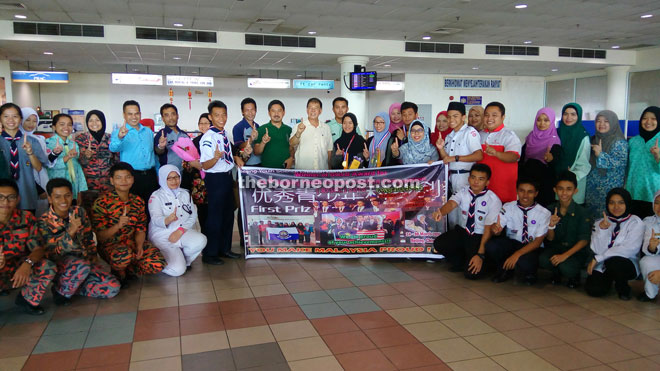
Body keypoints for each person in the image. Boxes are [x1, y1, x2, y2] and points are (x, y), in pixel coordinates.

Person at [37, 178, 120, 306]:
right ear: (49, 199)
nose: (63, 201)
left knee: (112, 287)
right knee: (81, 266)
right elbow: (51, 254)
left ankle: (74, 287)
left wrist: (94, 261)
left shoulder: (79, 212)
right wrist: (70, 232)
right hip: (61, 267)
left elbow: (88, 239)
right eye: (57, 197)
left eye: (67, 196)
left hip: (84, 263)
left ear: (72, 195)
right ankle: (61, 292)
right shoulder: (44, 221)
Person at [91, 162, 166, 286]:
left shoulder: (137, 201)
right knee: (123, 256)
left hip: (132, 243)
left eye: (127, 177)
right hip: (112, 246)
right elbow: (100, 237)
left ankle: (130, 269)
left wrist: (140, 246)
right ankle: (118, 271)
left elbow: (141, 229)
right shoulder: (102, 203)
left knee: (158, 263)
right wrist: (118, 226)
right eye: (119, 177)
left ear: (132, 179)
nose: (124, 181)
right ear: (111, 181)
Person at [432, 164, 501, 279]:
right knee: (440, 243)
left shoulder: (493, 200)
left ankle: (486, 263)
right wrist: (441, 212)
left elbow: (488, 229)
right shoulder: (463, 191)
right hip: (464, 231)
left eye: (480, 179)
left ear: (487, 182)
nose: (475, 182)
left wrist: (480, 254)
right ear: (468, 178)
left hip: (480, 236)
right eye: (473, 177)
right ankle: (461, 262)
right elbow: (451, 203)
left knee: (472, 275)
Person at [0, 178, 55, 315]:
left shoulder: (26, 218)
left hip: (18, 267)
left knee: (47, 266)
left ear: (18, 199)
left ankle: (28, 300)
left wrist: (27, 264)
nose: (5, 202)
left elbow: (38, 248)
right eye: (0, 197)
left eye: (11, 197)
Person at [486, 178, 550, 285]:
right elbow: (497, 227)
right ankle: (505, 269)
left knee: (525, 262)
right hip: (513, 243)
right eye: (522, 191)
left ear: (536, 193)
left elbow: (538, 242)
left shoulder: (544, 213)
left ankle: (530, 273)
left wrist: (517, 255)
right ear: (517, 191)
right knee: (492, 246)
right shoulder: (508, 207)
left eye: (530, 192)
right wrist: (495, 229)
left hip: (532, 247)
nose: (525, 195)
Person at [200, 100, 241, 265]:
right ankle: (210, 253)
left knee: (228, 215)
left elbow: (229, 157)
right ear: (210, 117)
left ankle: (225, 248)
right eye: (217, 115)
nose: (221, 118)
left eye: (224, 114)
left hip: (226, 177)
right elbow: (205, 165)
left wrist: (236, 158)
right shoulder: (208, 138)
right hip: (215, 179)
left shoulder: (223, 134)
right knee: (215, 217)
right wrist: (215, 158)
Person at [585, 188, 643, 300]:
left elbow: (629, 249)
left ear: (627, 203)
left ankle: (623, 288)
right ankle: (608, 279)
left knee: (615, 262)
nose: (616, 207)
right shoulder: (600, 222)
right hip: (603, 263)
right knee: (594, 290)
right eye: (612, 203)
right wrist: (602, 230)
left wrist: (598, 258)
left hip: (625, 264)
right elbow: (596, 249)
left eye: (621, 202)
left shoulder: (636, 222)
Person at [148, 165, 206, 276]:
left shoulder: (185, 193)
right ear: (162, 179)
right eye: (169, 178)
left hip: (180, 232)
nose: (174, 181)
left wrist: (180, 231)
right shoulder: (156, 196)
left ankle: (184, 260)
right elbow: (155, 219)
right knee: (178, 271)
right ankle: (161, 262)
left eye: (176, 177)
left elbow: (192, 215)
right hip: (163, 235)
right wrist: (167, 220)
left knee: (201, 240)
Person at [538, 171, 591, 288]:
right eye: (560, 189)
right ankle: (556, 273)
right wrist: (551, 225)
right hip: (556, 248)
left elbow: (584, 240)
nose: (564, 193)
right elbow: (550, 239)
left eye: (569, 189)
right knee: (543, 259)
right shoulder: (550, 209)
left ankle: (574, 276)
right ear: (555, 190)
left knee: (567, 267)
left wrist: (565, 256)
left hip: (575, 252)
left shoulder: (582, 212)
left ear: (575, 191)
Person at [0, 103, 47, 212]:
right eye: (6, 116)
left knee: (27, 227)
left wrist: (30, 153)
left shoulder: (32, 141)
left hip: (26, 194)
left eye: (15, 116)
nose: (11, 119)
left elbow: (39, 168)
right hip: (2, 199)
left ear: (21, 119)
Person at [109, 100, 158, 203]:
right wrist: (120, 137)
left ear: (140, 114)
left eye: (136, 113)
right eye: (130, 114)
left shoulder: (148, 132)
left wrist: (157, 173)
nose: (134, 117)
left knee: (152, 207)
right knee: (133, 208)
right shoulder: (119, 132)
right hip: (132, 177)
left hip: (150, 176)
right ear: (124, 115)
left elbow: (152, 154)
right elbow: (113, 148)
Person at [585, 110, 628, 219]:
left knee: (607, 220)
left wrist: (600, 154)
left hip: (609, 189)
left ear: (613, 123)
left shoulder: (619, 142)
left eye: (606, 121)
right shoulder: (593, 139)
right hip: (592, 190)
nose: (601, 124)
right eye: (598, 121)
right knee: (591, 222)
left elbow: (619, 163)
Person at [478, 102, 522, 203]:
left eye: (494, 115)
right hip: (482, 189)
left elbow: (514, 156)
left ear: (503, 117)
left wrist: (496, 153)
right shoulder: (479, 135)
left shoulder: (509, 135)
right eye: (486, 115)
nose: (489, 119)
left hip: (503, 191)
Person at [436, 102, 483, 194]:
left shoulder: (469, 132)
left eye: (455, 116)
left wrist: (455, 158)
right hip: (452, 177)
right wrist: (441, 148)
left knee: (465, 206)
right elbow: (447, 158)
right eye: (449, 117)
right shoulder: (449, 136)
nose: (451, 119)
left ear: (463, 117)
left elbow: (479, 155)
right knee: (455, 206)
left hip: (466, 177)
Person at [519, 107, 561, 207]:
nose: (542, 123)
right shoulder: (531, 136)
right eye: (539, 120)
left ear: (551, 122)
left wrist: (550, 159)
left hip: (544, 183)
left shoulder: (554, 140)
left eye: (546, 120)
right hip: (528, 180)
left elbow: (556, 161)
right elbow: (522, 157)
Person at [626, 106, 660, 218]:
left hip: (654, 195)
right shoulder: (633, 141)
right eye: (645, 118)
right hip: (633, 192)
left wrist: (658, 157)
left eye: (653, 118)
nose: (648, 122)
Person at [45, 114, 88, 200]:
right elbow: (48, 165)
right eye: (62, 124)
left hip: (74, 187)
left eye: (69, 124)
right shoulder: (47, 143)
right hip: (57, 188)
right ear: (54, 127)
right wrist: (67, 157)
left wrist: (80, 190)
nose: (66, 127)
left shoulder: (73, 144)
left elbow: (77, 168)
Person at [554, 103, 591, 204]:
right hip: (557, 180)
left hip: (575, 180)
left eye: (573, 114)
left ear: (578, 116)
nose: (569, 117)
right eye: (565, 114)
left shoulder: (583, 136)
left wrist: (570, 174)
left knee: (573, 212)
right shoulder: (556, 133)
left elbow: (584, 163)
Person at [74, 110, 117, 194]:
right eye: (91, 120)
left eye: (97, 120)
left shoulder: (111, 139)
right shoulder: (81, 139)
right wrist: (86, 156)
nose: (94, 123)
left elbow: (116, 161)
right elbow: (77, 163)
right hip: (88, 186)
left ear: (102, 121)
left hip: (108, 185)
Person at [182, 113, 210, 233]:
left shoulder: (218, 139)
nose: (203, 126)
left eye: (207, 123)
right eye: (201, 123)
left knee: (216, 215)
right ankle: (206, 242)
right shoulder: (193, 142)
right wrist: (192, 164)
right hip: (200, 187)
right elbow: (185, 163)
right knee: (203, 215)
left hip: (216, 183)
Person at [20, 107, 49, 215]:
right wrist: (39, 189)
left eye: (35, 121)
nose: (31, 124)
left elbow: (44, 162)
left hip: (41, 177)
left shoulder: (39, 139)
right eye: (27, 120)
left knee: (41, 210)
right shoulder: (17, 140)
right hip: (27, 181)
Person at [290, 98, 333, 170]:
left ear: (320, 111)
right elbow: (292, 144)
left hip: (322, 171)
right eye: (310, 108)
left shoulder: (326, 128)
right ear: (307, 110)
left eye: (316, 108)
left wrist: (329, 168)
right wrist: (298, 132)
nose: (313, 110)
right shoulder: (298, 126)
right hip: (303, 171)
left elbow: (329, 150)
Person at [254, 100, 294, 169]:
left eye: (279, 111)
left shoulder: (289, 130)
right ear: (269, 113)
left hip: (285, 170)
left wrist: (291, 158)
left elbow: (291, 148)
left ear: (284, 112)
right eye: (273, 111)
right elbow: (256, 152)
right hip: (267, 171)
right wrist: (263, 142)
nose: (276, 114)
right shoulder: (261, 129)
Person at [638, 190, 660, 302]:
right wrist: (652, 247)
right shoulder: (648, 222)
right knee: (646, 261)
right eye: (657, 202)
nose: (659, 207)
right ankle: (650, 294)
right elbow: (646, 246)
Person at [154, 103, 189, 171]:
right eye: (167, 115)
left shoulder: (184, 134)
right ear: (163, 118)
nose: (171, 118)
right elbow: (157, 151)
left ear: (177, 116)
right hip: (168, 175)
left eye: (173, 114)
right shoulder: (161, 134)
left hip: (185, 173)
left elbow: (190, 153)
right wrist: (161, 147)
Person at [232, 97, 261, 166]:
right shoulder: (238, 127)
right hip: (246, 165)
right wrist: (251, 139)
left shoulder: (257, 126)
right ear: (242, 112)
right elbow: (238, 146)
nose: (250, 113)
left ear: (256, 110)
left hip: (259, 164)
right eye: (247, 110)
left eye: (252, 109)